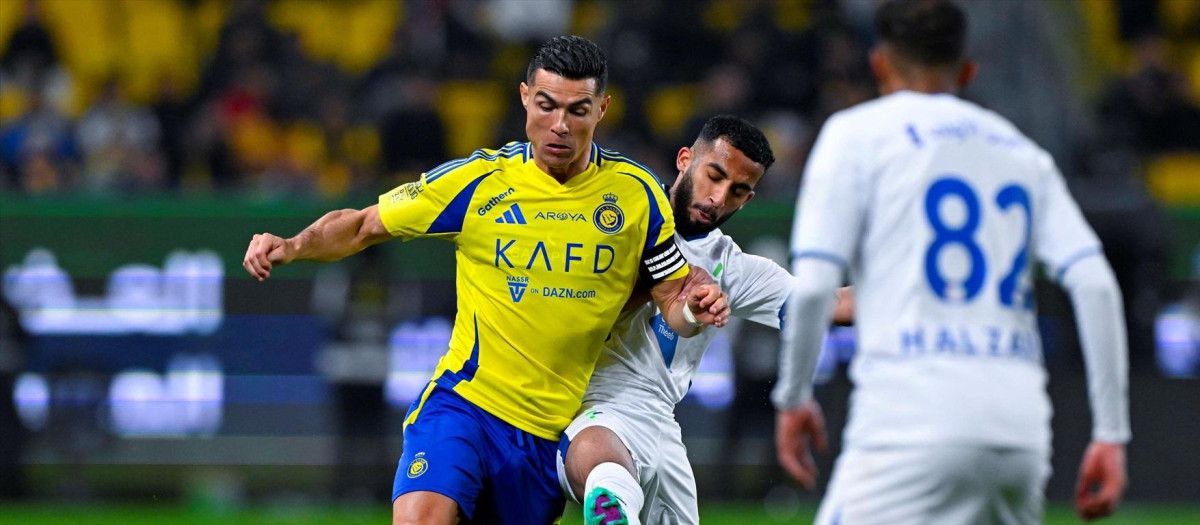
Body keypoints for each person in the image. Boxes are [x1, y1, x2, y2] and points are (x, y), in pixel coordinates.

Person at [242, 35, 731, 525]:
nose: (559, 125)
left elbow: (670, 296)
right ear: (524, 98)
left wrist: (694, 309)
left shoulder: (637, 195)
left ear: (602, 108)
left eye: (577, 110)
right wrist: (291, 246)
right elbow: (364, 224)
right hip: (465, 406)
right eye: (546, 105)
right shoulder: (479, 182)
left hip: (546, 436)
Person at [773, 1, 1130, 523]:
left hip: (909, 424)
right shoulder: (1023, 153)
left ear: (878, 64)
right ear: (967, 72)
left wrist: (794, 397)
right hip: (1018, 434)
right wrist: (1111, 434)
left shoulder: (856, 134)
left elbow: (813, 288)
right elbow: (1096, 284)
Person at [555, 115, 854, 525]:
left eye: (737, 190)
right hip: (589, 399)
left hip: (661, 421)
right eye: (714, 175)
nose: (717, 198)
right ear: (684, 160)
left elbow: (830, 304)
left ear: (748, 200)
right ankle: (609, 500)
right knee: (606, 465)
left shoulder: (729, 267)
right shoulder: (618, 216)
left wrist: (915, 294)